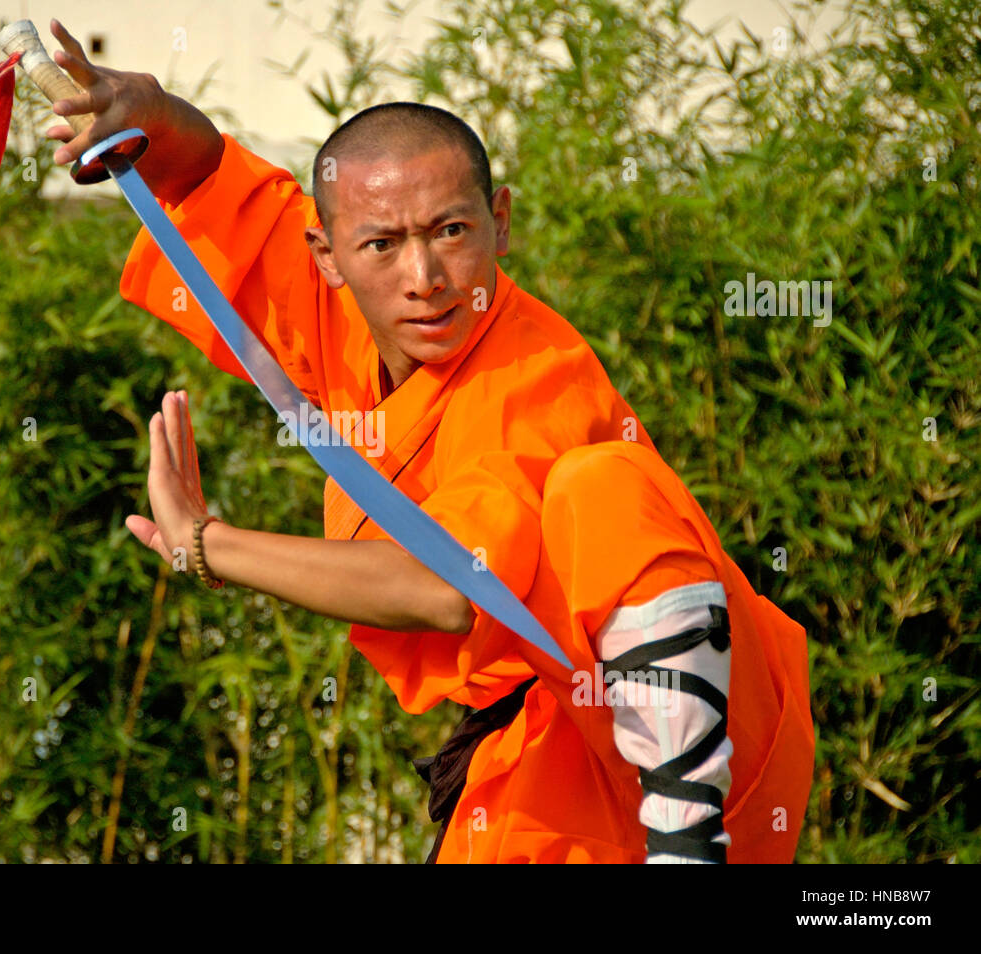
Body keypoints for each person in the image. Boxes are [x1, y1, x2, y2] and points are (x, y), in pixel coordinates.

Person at [42, 19, 815, 863]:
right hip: (544, 739)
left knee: (606, 482)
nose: (425, 279)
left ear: (501, 222)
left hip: (719, 729)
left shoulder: (533, 373)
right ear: (328, 256)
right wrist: (141, 111)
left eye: (452, 232)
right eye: (383, 245)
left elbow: (448, 589)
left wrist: (206, 543)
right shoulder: (337, 303)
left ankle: (688, 842)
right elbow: (212, 174)